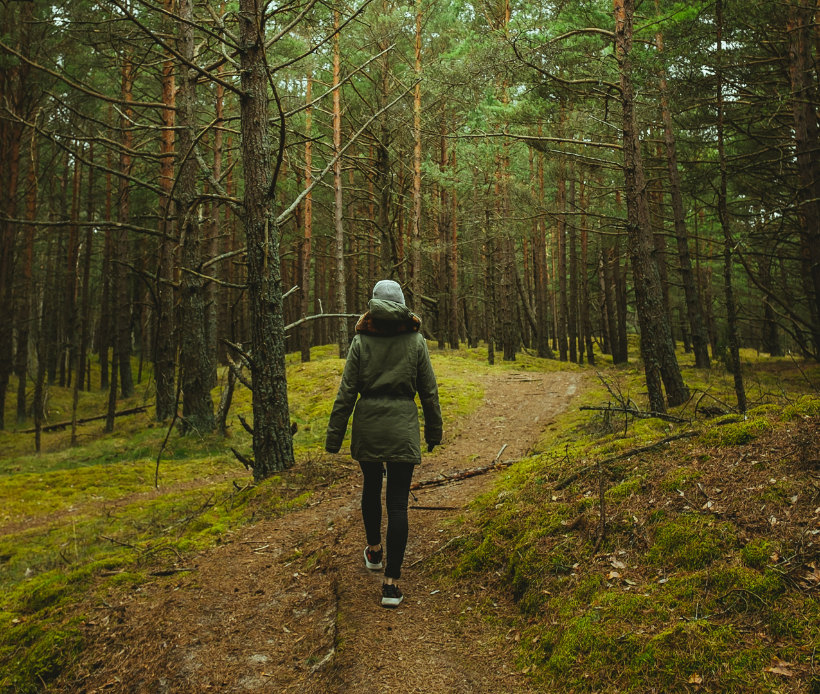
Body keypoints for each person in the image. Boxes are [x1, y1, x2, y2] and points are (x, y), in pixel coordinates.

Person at [325, 280, 443, 607]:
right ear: (403, 304)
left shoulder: (361, 342)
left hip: (368, 427)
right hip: (403, 426)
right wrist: (434, 432)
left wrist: (334, 436)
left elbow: (346, 391)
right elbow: (429, 392)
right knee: (398, 503)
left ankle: (374, 551)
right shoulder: (416, 342)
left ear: (374, 305)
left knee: (371, 486)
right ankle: (391, 584)